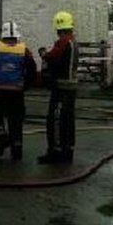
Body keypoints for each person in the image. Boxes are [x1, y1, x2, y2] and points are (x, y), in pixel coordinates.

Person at [0, 21, 37, 160]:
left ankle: (1, 137)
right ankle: (17, 149)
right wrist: (25, 85)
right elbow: (32, 70)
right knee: (16, 120)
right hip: (17, 92)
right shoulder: (23, 50)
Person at [38, 11, 79, 164]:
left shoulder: (63, 42)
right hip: (71, 88)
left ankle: (55, 152)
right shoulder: (73, 41)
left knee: (55, 120)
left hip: (61, 88)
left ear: (59, 26)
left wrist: (43, 53)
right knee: (69, 121)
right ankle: (68, 151)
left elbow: (51, 57)